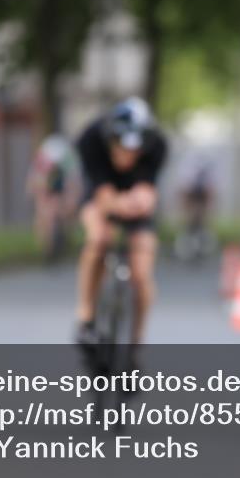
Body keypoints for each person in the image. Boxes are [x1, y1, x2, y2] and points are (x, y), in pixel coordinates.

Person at [74, 97, 167, 351]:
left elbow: (148, 192)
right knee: (98, 239)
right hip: (100, 194)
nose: (126, 156)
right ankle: (86, 316)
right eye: (120, 147)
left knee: (142, 272)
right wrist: (117, 204)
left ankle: (135, 344)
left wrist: (140, 201)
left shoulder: (158, 145)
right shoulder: (90, 139)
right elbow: (101, 195)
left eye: (134, 151)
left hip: (135, 200)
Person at [26, 133, 79, 261]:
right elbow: (34, 182)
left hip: (62, 183)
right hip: (46, 183)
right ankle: (45, 246)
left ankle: (65, 232)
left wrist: (70, 201)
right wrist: (37, 196)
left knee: (66, 207)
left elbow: (74, 184)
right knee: (44, 212)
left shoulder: (68, 160)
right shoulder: (42, 160)